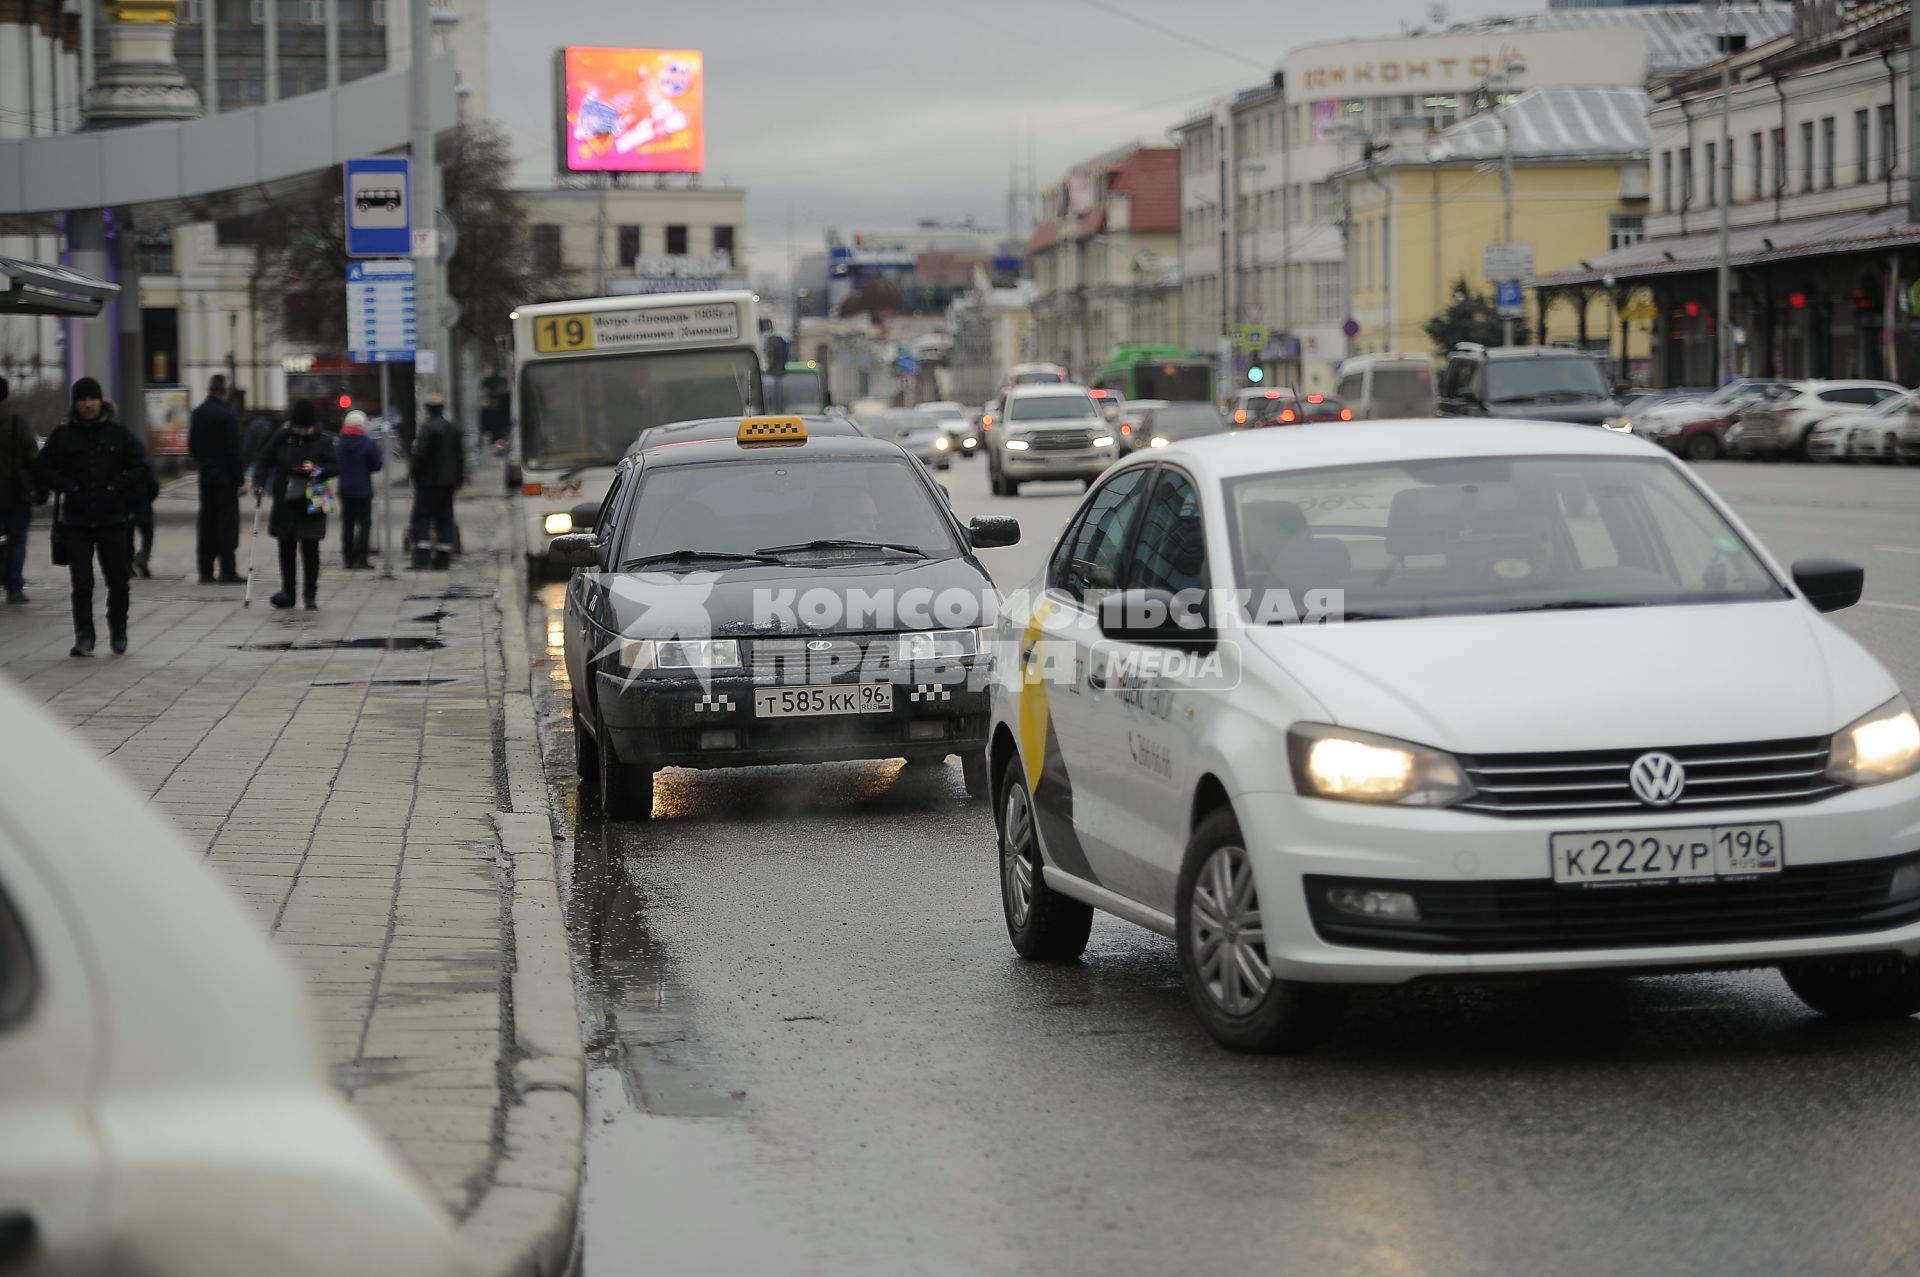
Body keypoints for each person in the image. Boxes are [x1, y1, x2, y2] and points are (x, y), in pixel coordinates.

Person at [32, 377, 148, 656]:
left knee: (118, 580)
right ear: (76, 403)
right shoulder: (63, 436)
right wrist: (67, 486)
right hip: (76, 522)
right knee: (82, 583)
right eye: (82, 400)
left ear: (100, 401)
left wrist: (117, 486)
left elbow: (140, 467)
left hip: (113, 520)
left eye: (92, 399)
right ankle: (84, 635)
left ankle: (118, 627)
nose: (87, 404)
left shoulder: (118, 435)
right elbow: (42, 468)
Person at [251, 398, 337, 609]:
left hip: (313, 495)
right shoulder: (283, 437)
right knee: (286, 547)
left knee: (311, 548)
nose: (301, 432)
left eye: (305, 428)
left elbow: (336, 465)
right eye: (298, 428)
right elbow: (263, 459)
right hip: (286, 498)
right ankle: (288, 591)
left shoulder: (324, 440)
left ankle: (310, 593)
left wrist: (317, 470)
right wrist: (259, 483)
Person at [187, 373, 246, 583]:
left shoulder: (198, 413)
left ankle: (205, 569)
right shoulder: (226, 416)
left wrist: (204, 463)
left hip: (206, 477)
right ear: (225, 391)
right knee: (226, 524)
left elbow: (192, 446)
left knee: (206, 522)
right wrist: (240, 479)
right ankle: (227, 569)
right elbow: (233, 451)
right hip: (226, 479)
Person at [409, 391, 464, 570]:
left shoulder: (427, 428)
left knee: (422, 518)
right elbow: (460, 457)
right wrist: (458, 479)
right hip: (448, 482)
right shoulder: (453, 428)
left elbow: (421, 455)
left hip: (428, 482)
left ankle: (422, 559)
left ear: (427, 409)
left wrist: (414, 472)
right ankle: (443, 558)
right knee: (445, 518)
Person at [0, 376, 41, 604]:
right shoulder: (16, 423)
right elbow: (32, 458)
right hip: (15, 493)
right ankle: (14, 587)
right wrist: (39, 487)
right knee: (17, 539)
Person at [335, 409, 384, 569]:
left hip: (345, 489)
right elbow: (376, 465)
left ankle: (348, 558)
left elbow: (335, 464)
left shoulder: (340, 444)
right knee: (364, 524)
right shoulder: (367, 443)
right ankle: (361, 558)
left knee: (347, 524)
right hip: (363, 489)